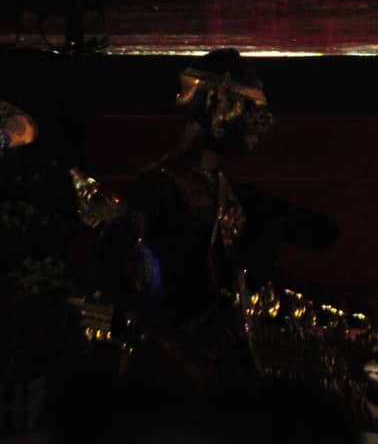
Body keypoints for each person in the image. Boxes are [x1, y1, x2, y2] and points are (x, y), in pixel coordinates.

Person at [100, 49, 275, 396]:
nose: (256, 131)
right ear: (220, 109)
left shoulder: (217, 183)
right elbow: (118, 263)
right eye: (248, 116)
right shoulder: (161, 184)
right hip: (168, 361)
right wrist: (158, 335)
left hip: (211, 349)